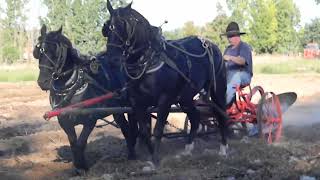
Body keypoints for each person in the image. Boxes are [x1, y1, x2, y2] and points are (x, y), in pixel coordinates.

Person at [221, 21, 253, 106]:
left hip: (244, 75)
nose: (228, 39)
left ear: (236, 36)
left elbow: (242, 61)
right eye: (228, 37)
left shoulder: (244, 46)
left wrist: (230, 58)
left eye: (230, 36)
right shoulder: (228, 49)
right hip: (228, 76)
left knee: (236, 76)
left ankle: (223, 104)